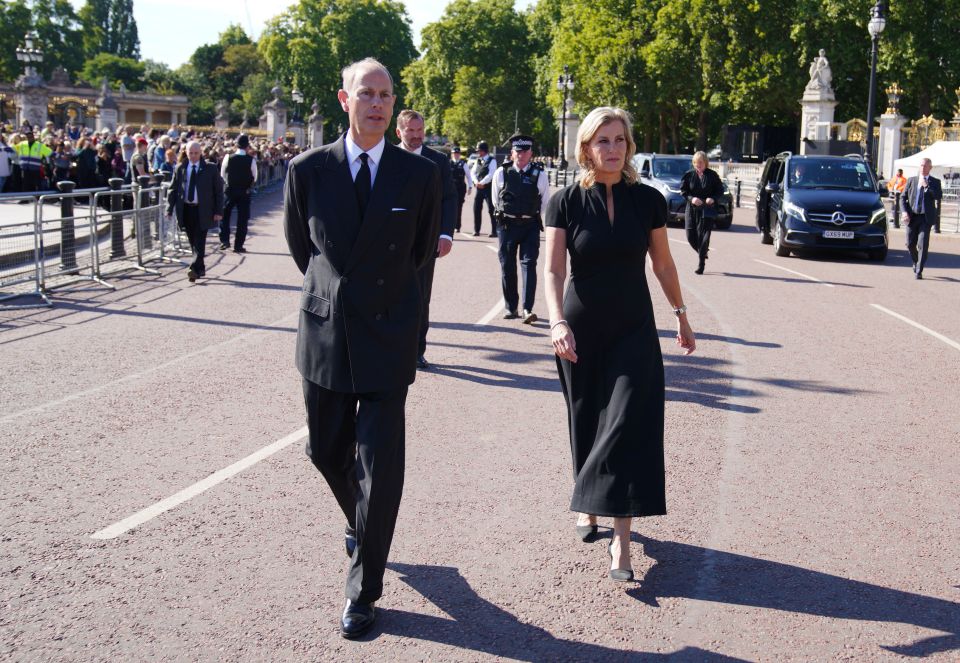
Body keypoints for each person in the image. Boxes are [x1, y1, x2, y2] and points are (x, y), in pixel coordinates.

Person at [283, 58, 440, 640]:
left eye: (386, 95)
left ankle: (363, 590)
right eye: (366, 94)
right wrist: (336, 295)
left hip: (385, 338)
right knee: (325, 452)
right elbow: (306, 251)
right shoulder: (307, 170)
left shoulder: (419, 176)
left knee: (380, 470)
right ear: (344, 99)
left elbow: (418, 254)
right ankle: (363, 523)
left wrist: (381, 305)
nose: (378, 103)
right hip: (324, 334)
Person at [543, 106, 696, 583]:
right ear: (585, 147)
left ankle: (621, 545)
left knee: (627, 424)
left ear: (630, 146)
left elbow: (664, 264)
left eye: (619, 140)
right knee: (586, 418)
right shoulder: (564, 201)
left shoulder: (648, 200)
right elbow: (552, 270)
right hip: (580, 328)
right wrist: (555, 323)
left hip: (634, 328)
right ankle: (587, 504)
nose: (612, 149)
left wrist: (681, 315)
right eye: (602, 141)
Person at [395, 109, 456, 370]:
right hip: (389, 240)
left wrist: (445, 234)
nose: (417, 136)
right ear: (399, 132)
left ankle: (416, 350)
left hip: (425, 242)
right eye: (411, 131)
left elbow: (449, 198)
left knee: (420, 296)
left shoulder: (438, 162)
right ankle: (390, 346)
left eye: (420, 131)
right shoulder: (387, 157)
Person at [491, 134, 548, 323]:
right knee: (507, 266)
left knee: (529, 264)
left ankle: (527, 308)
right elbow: (495, 200)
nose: (521, 155)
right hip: (507, 226)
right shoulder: (502, 172)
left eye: (525, 151)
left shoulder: (540, 174)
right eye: (518, 151)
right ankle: (511, 307)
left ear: (531, 153)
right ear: (512, 153)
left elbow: (545, 202)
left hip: (530, 225)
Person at [167, 140, 224, 282]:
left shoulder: (210, 168)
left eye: (196, 153)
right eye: (190, 153)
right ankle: (200, 268)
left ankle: (193, 268)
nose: (193, 156)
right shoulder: (180, 168)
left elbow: (218, 191)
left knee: (199, 240)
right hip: (186, 209)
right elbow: (173, 189)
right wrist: (169, 208)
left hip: (203, 210)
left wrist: (218, 211)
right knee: (192, 240)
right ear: (186, 153)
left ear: (201, 153)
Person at [680, 151, 725, 275]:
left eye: (700, 162)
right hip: (692, 209)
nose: (698, 164)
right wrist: (692, 198)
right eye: (695, 162)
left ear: (705, 163)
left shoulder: (712, 175)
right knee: (690, 236)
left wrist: (713, 198)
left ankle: (701, 265)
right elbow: (684, 191)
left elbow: (720, 190)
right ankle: (703, 252)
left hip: (707, 209)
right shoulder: (689, 175)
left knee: (704, 237)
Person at [900, 157, 942, 279]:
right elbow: (903, 197)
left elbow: (938, 196)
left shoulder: (935, 182)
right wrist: (904, 212)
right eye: (921, 165)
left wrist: (927, 187)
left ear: (930, 168)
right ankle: (915, 261)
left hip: (926, 218)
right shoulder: (911, 180)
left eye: (925, 166)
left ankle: (919, 270)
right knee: (909, 243)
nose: (923, 168)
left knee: (922, 244)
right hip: (912, 216)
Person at [218, 134, 258, 253]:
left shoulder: (228, 157)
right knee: (242, 219)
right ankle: (238, 245)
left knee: (225, 216)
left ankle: (225, 241)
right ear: (247, 146)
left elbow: (222, 173)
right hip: (244, 192)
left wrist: (228, 183)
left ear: (236, 145)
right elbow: (255, 177)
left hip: (230, 190)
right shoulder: (251, 160)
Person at [471, 141, 497, 236]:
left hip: (488, 188)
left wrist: (482, 183)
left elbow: (491, 174)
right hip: (479, 188)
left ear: (484, 151)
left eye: (480, 151)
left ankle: (494, 231)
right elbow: (473, 172)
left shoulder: (492, 160)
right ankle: (476, 230)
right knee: (476, 208)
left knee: (491, 209)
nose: (478, 152)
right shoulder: (477, 160)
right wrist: (476, 182)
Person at [15, 130, 52, 195]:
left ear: (33, 137)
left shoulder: (39, 145)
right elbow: (13, 148)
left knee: (36, 184)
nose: (29, 137)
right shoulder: (22, 144)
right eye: (28, 136)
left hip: (35, 168)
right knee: (25, 184)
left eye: (30, 136)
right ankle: (25, 199)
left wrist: (58, 154)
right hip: (25, 168)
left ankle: (37, 198)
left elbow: (49, 152)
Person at [450, 145, 473, 232]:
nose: (456, 155)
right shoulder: (448, 163)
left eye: (457, 153)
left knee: (458, 208)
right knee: (450, 207)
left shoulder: (463, 164)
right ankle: (450, 225)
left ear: (459, 154)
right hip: (451, 189)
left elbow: (468, 176)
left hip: (460, 189)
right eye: (454, 153)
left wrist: (470, 186)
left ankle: (457, 226)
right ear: (452, 154)